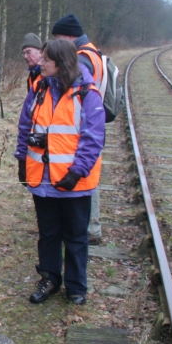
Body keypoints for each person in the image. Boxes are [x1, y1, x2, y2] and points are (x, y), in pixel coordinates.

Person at [15, 39, 105, 305]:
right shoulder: (39, 89)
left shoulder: (88, 94)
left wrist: (76, 172)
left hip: (74, 183)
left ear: (61, 63)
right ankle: (50, 278)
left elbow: (93, 139)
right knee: (48, 233)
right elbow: (25, 126)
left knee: (76, 236)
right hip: (42, 179)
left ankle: (76, 287)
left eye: (46, 60)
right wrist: (22, 160)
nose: (40, 63)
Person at [52, 13, 104, 246]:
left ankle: (89, 228)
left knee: (83, 178)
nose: (57, 43)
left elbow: (73, 91)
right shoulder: (94, 52)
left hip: (81, 126)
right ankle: (90, 226)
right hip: (91, 123)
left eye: (59, 37)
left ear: (70, 36)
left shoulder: (81, 58)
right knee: (90, 174)